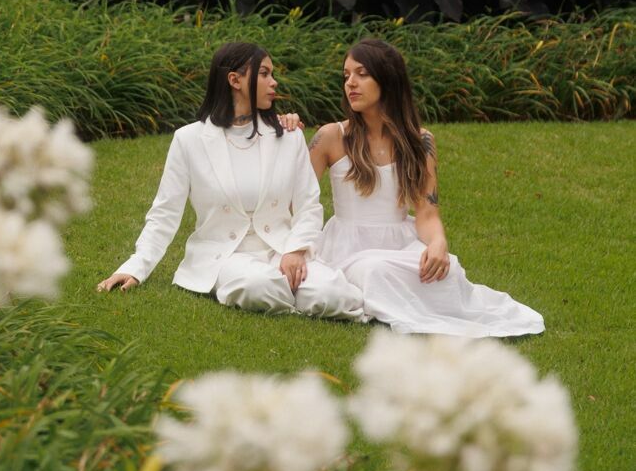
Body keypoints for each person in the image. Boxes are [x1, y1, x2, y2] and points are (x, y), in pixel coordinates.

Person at [97, 41, 364, 319]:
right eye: (264, 74)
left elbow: (309, 205)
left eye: (272, 74)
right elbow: (165, 213)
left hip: (280, 248)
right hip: (225, 255)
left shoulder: (289, 136)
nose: (274, 82)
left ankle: (303, 293)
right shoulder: (189, 140)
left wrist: (296, 251)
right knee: (257, 287)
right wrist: (135, 266)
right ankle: (294, 296)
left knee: (333, 295)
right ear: (234, 80)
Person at [308, 37, 544, 337]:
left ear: (387, 80)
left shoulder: (421, 142)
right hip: (347, 246)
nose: (350, 83)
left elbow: (427, 213)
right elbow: (297, 197)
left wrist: (437, 244)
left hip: (399, 240)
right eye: (346, 75)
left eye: (361, 74)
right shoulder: (332, 136)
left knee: (446, 272)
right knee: (374, 270)